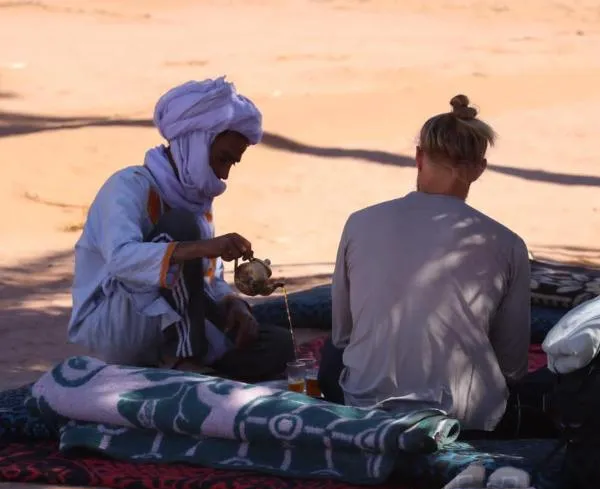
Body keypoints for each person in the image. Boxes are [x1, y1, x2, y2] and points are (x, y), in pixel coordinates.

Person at [318, 94, 542, 435]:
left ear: (419, 157)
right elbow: (512, 367)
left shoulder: (360, 222)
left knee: (335, 358)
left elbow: (343, 333)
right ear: (479, 169)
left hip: (363, 405)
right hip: (468, 416)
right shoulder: (507, 243)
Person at [67, 77, 294, 381]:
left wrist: (232, 303)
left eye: (233, 164)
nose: (224, 173)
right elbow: (121, 260)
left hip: (170, 328)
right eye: (222, 158)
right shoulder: (129, 185)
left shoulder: (196, 198)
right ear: (196, 145)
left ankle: (190, 365)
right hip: (117, 324)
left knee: (278, 345)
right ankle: (187, 359)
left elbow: (204, 281)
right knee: (181, 226)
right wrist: (202, 247)